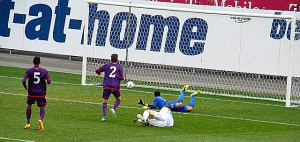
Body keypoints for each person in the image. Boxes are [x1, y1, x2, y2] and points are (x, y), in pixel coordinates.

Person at [22, 56, 51, 131]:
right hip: (41, 93)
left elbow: (24, 80)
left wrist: (25, 86)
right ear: (40, 62)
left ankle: (28, 123)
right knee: (42, 107)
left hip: (31, 92)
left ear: (33, 62)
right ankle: (41, 119)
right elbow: (49, 81)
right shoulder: (44, 71)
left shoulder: (29, 71)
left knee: (29, 105)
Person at [95, 54, 124, 122]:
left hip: (107, 85)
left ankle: (104, 117)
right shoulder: (119, 67)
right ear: (117, 59)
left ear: (111, 59)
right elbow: (122, 78)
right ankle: (113, 108)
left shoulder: (107, 65)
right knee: (118, 99)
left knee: (105, 100)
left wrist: (99, 73)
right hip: (115, 86)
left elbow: (97, 71)